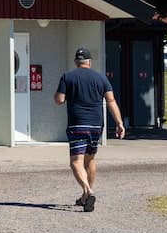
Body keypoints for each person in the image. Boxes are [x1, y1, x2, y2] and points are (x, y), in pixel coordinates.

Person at [53, 47, 125, 212]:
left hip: (77, 124)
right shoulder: (101, 78)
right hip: (96, 125)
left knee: (75, 162)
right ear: (89, 62)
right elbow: (111, 100)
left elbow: (59, 100)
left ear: (76, 62)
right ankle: (85, 198)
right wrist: (120, 123)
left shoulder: (68, 76)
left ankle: (88, 190)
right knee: (90, 160)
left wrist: (62, 95)